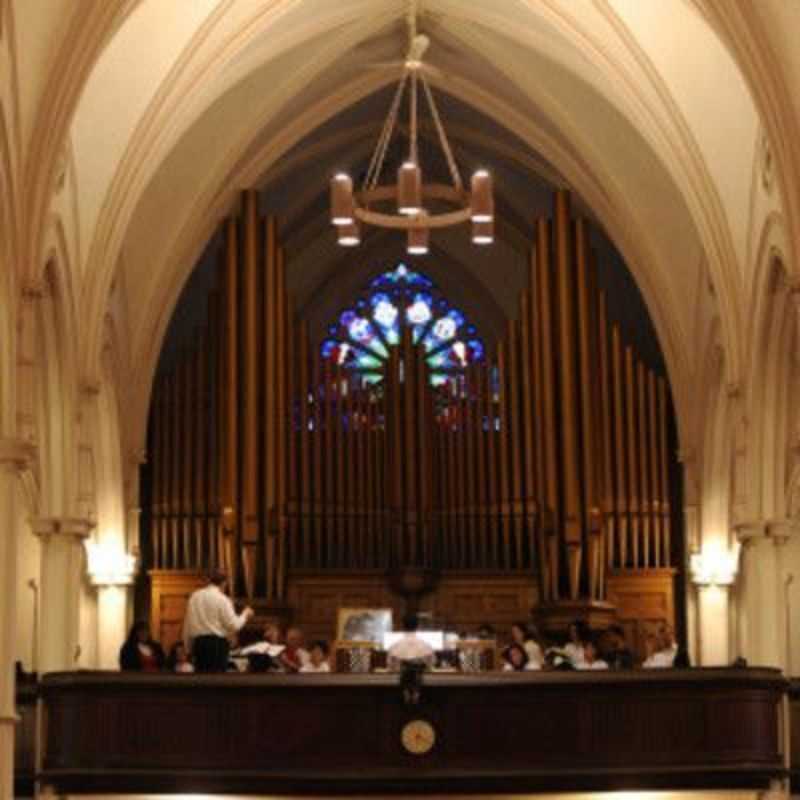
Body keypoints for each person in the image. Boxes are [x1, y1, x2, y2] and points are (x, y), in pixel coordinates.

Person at [182, 569, 254, 672]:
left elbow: (187, 624)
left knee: (201, 683)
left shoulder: (194, 597)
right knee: (216, 681)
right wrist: (245, 614)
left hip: (199, 645)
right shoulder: (222, 599)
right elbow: (234, 625)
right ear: (224, 583)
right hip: (216, 646)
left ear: (209, 581)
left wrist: (188, 648)